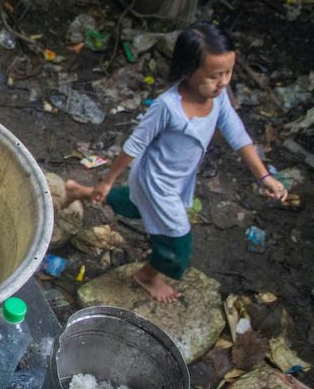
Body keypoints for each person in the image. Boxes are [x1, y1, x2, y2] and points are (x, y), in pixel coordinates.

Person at [64, 22, 288, 302]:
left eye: (229, 72)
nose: (223, 82)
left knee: (136, 206)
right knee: (178, 241)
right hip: (156, 180)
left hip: (178, 178)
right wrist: (107, 179)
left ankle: (79, 191)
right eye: (215, 75)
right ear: (189, 69)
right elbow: (135, 144)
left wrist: (264, 176)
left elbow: (238, 134)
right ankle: (147, 275)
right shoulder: (167, 106)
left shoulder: (217, 99)